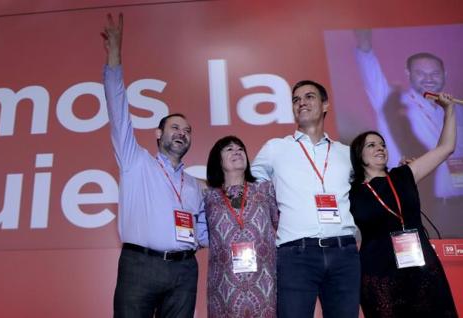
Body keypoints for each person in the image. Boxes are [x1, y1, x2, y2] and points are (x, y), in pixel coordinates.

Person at [101, 13, 206, 318]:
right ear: (159, 133)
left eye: (187, 131)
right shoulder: (135, 161)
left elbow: (200, 228)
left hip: (185, 270)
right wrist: (115, 56)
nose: (181, 134)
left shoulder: (192, 184)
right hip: (140, 267)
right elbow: (118, 108)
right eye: (175, 128)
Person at [251, 80, 360, 318]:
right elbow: (249, 185)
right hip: (296, 254)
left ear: (325, 105)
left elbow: (372, 183)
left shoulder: (346, 152)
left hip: (343, 252)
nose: (301, 102)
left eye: (309, 96)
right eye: (296, 99)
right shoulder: (275, 149)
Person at [348, 92, 458, 317]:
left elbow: (446, 147)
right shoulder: (352, 192)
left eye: (382, 144)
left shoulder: (404, 174)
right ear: (359, 155)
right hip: (380, 273)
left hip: (420, 266)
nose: (380, 148)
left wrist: (448, 110)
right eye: (371, 145)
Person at [354, 29, 463, 237]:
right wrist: (365, 48)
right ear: (408, 73)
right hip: (432, 209)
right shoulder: (394, 103)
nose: (429, 79)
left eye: (435, 73)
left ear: (445, 74)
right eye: (421, 73)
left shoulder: (457, 109)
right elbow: (371, 73)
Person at [201, 135, 278, 317]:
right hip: (224, 287)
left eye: (240, 149)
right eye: (229, 149)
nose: (236, 151)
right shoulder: (207, 196)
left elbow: (282, 225)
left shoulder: (265, 190)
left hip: (265, 283)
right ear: (217, 160)